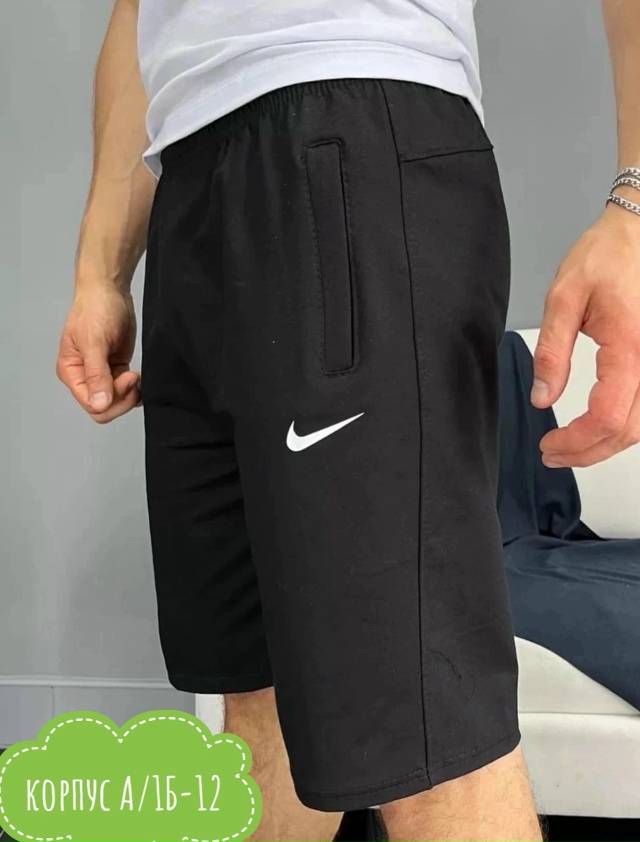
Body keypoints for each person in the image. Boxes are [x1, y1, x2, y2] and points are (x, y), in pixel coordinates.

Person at [55, 2, 640, 840]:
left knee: (428, 735)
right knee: (255, 700)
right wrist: (100, 270)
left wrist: (638, 204)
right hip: (191, 183)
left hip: (351, 137)